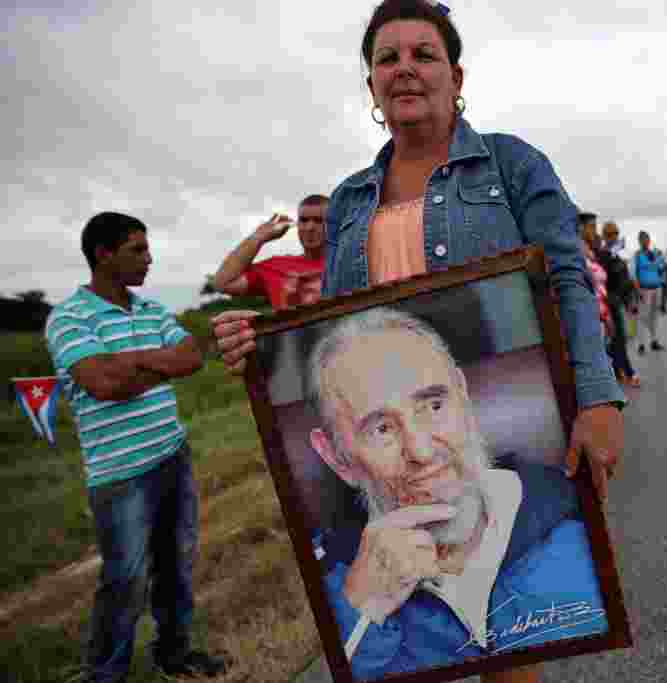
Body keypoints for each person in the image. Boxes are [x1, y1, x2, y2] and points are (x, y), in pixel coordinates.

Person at [210, 3, 624, 680]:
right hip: (389, 465)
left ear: (456, 75)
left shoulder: (513, 164)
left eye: (423, 54)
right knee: (408, 648)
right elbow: (333, 321)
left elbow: (569, 281)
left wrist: (599, 399)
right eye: (387, 58)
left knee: (511, 645)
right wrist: (259, 345)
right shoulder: (349, 199)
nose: (405, 67)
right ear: (371, 85)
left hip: (460, 455)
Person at [306, 308, 608, 680]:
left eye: (433, 405)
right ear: (338, 459)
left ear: (463, 398)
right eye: (381, 428)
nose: (421, 451)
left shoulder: (575, 519)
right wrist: (360, 612)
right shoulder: (327, 580)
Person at [44, 212, 227, 683]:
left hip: (171, 454)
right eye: (137, 250)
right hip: (120, 472)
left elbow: (191, 357)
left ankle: (175, 655)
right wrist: (150, 364)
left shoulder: (150, 310)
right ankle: (104, 676)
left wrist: (131, 360)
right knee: (125, 580)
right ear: (103, 255)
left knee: (176, 566)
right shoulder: (68, 318)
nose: (149, 259)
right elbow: (102, 383)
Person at [212, 194, 329, 310]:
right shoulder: (277, 266)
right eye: (303, 220)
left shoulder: (345, 264)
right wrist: (258, 237)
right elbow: (222, 283)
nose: (309, 227)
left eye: (319, 221)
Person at [591, 218, 640, 387]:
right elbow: (604, 279)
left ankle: (617, 371)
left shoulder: (614, 255)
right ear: (604, 236)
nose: (614, 237)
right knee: (618, 339)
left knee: (615, 340)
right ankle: (629, 373)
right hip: (608, 303)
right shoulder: (603, 255)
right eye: (610, 234)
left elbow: (624, 282)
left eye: (616, 233)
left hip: (617, 301)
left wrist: (630, 302)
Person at [631, 231, 665, 354]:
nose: (645, 241)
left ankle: (654, 341)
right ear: (639, 241)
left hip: (656, 288)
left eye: (647, 239)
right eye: (642, 239)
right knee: (642, 317)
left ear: (649, 240)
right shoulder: (637, 255)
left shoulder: (654, 254)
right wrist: (638, 290)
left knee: (654, 316)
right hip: (644, 290)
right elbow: (633, 275)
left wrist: (661, 259)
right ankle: (641, 345)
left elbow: (660, 270)